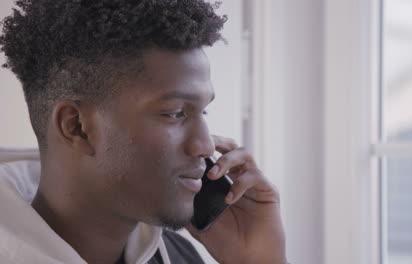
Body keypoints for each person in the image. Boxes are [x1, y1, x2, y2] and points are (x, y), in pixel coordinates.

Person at [0, 0, 287, 263]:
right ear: (76, 127)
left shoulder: (179, 255)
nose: (204, 145)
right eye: (175, 113)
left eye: (204, 111)